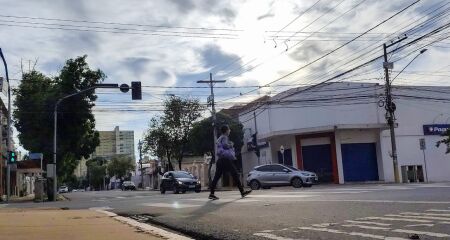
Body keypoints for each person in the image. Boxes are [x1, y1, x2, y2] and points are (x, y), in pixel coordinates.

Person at [209, 125, 252, 200]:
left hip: (220, 160)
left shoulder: (220, 138)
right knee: (235, 174)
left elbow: (221, 146)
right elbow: (225, 145)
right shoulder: (225, 137)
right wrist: (231, 145)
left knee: (217, 177)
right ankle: (242, 192)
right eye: (229, 129)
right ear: (226, 131)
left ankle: (211, 193)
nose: (230, 131)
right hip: (226, 160)